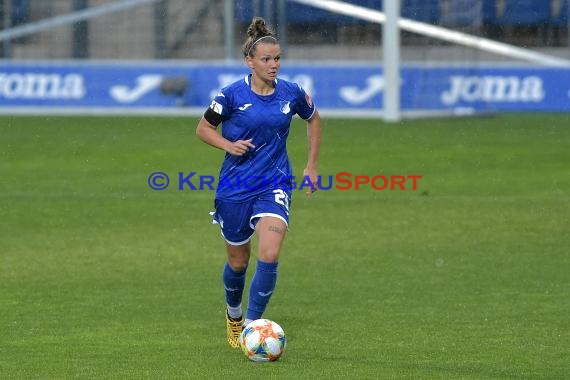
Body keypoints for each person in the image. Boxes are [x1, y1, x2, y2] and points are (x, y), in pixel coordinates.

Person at [195, 17, 322, 348]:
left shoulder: (291, 93)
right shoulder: (231, 96)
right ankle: (234, 314)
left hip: (275, 183)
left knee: (270, 252)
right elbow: (203, 128)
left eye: (277, 58)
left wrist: (311, 165)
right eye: (266, 59)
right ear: (249, 61)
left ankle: (253, 327)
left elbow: (313, 119)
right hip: (235, 188)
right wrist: (228, 145)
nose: (273, 65)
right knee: (238, 262)